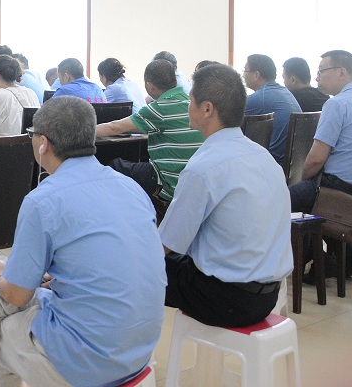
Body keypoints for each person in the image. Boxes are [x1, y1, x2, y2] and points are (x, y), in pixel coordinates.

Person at [0, 97, 165, 387]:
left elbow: (16, 295)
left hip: (90, 360)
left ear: (43, 144)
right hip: (141, 348)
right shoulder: (130, 187)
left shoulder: (43, 200)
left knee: (2, 322)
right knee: (9, 301)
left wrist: (4, 277)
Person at [160, 63, 293, 327]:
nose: (188, 107)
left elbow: (167, 243)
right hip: (267, 295)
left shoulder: (203, 168)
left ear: (207, 109)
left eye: (191, 101)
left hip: (224, 300)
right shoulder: (263, 156)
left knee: (135, 266)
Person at [290, 50, 352, 278]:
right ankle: (349, 258)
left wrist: (302, 181)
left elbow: (316, 159)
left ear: (341, 72)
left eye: (322, 71)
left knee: (278, 201)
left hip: (335, 190)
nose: (317, 77)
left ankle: (317, 260)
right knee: (307, 195)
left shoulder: (337, 104)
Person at [97, 59, 204, 203]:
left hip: (169, 184)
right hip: (192, 183)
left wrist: (83, 131)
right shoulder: (190, 103)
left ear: (150, 86)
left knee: (115, 165)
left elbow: (114, 128)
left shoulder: (159, 108)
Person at [242, 53, 302, 165]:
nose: (243, 75)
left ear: (256, 75)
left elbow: (227, 115)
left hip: (273, 162)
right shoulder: (284, 91)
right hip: (291, 164)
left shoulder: (261, 97)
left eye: (245, 71)